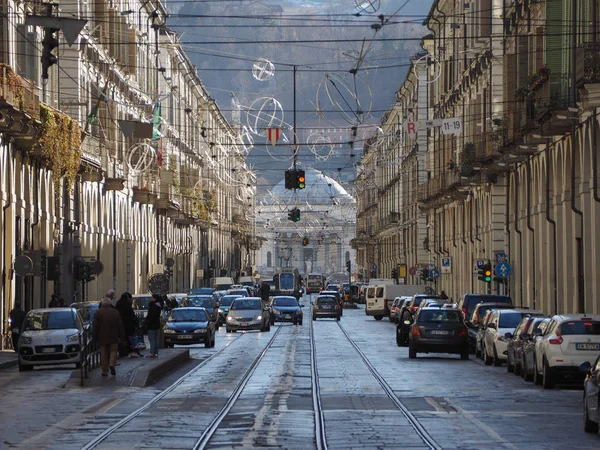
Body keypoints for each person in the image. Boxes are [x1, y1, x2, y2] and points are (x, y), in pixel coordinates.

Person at [92, 298, 125, 376]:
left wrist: (94, 337)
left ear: (102, 304)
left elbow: (95, 326)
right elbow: (120, 325)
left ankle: (104, 370)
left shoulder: (98, 312)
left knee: (103, 353)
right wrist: (122, 335)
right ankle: (111, 364)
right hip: (113, 336)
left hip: (102, 337)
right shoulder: (115, 312)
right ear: (110, 304)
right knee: (113, 351)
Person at [116, 292, 142, 357]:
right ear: (128, 299)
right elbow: (132, 317)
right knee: (129, 339)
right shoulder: (128, 307)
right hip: (129, 327)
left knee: (123, 340)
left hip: (120, 326)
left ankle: (123, 352)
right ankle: (129, 351)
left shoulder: (118, 305)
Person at [145, 294, 163, 358]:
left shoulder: (153, 306)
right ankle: (156, 352)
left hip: (152, 325)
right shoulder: (158, 306)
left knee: (152, 339)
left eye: (152, 298)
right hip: (156, 324)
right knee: (155, 339)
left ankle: (152, 352)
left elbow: (150, 316)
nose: (151, 299)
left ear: (155, 299)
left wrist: (146, 322)